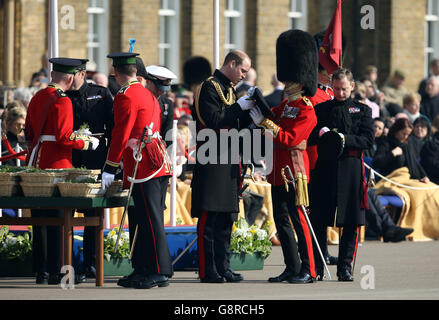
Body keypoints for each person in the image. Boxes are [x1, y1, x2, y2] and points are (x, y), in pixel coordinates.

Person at [249, 29, 318, 284]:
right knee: (281, 220)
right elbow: (271, 115)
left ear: (300, 81)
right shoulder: (287, 104)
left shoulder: (305, 109)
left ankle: (309, 270)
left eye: (290, 80)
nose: (285, 83)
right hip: (278, 171)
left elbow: (289, 139)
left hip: (295, 172)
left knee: (299, 221)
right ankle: (292, 266)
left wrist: (265, 123)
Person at [101, 52, 173, 289]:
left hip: (143, 162)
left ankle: (158, 270)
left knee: (149, 218)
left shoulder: (126, 94)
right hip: (150, 159)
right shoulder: (146, 92)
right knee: (141, 217)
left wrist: (110, 166)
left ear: (115, 72)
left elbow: (121, 132)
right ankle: (142, 267)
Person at [25, 57, 99, 285]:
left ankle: (41, 270)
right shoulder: (63, 101)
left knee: (39, 217)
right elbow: (64, 137)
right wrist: (86, 143)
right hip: (57, 163)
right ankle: (58, 270)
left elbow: (28, 132)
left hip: (36, 161)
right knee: (59, 219)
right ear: (69, 78)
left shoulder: (37, 97)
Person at [191, 50, 254, 283]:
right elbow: (214, 120)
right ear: (231, 63)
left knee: (227, 216)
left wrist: (251, 113)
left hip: (228, 157)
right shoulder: (209, 87)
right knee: (210, 216)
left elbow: (234, 123)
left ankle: (223, 266)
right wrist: (240, 107)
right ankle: (208, 270)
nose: (244, 76)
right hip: (211, 157)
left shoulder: (229, 88)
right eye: (242, 71)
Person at [308, 68, 374, 281]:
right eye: (336, 88)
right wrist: (321, 133)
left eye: (344, 88)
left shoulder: (363, 110)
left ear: (352, 87)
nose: (340, 92)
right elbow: (310, 137)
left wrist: (344, 139)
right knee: (319, 219)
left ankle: (345, 267)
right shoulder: (322, 109)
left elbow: (367, 140)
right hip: (325, 168)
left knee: (351, 221)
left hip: (351, 169)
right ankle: (317, 266)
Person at [65, 58, 114, 281]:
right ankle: (68, 265)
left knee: (93, 215)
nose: (68, 79)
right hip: (70, 158)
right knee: (66, 213)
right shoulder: (63, 97)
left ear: (82, 74)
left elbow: (112, 127)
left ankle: (91, 264)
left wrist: (112, 161)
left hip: (95, 158)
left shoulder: (101, 94)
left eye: (72, 74)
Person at [373, 118, 430, 183]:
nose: (405, 137)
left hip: (406, 179)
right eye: (403, 133)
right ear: (396, 131)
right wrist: (392, 153)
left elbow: (414, 163)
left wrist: (424, 176)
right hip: (389, 179)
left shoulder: (406, 145)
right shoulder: (386, 142)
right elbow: (376, 163)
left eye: (408, 135)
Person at [144, 64, 178, 144]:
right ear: (148, 82)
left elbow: (168, 132)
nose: (161, 91)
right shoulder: (140, 100)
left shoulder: (167, 104)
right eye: (158, 87)